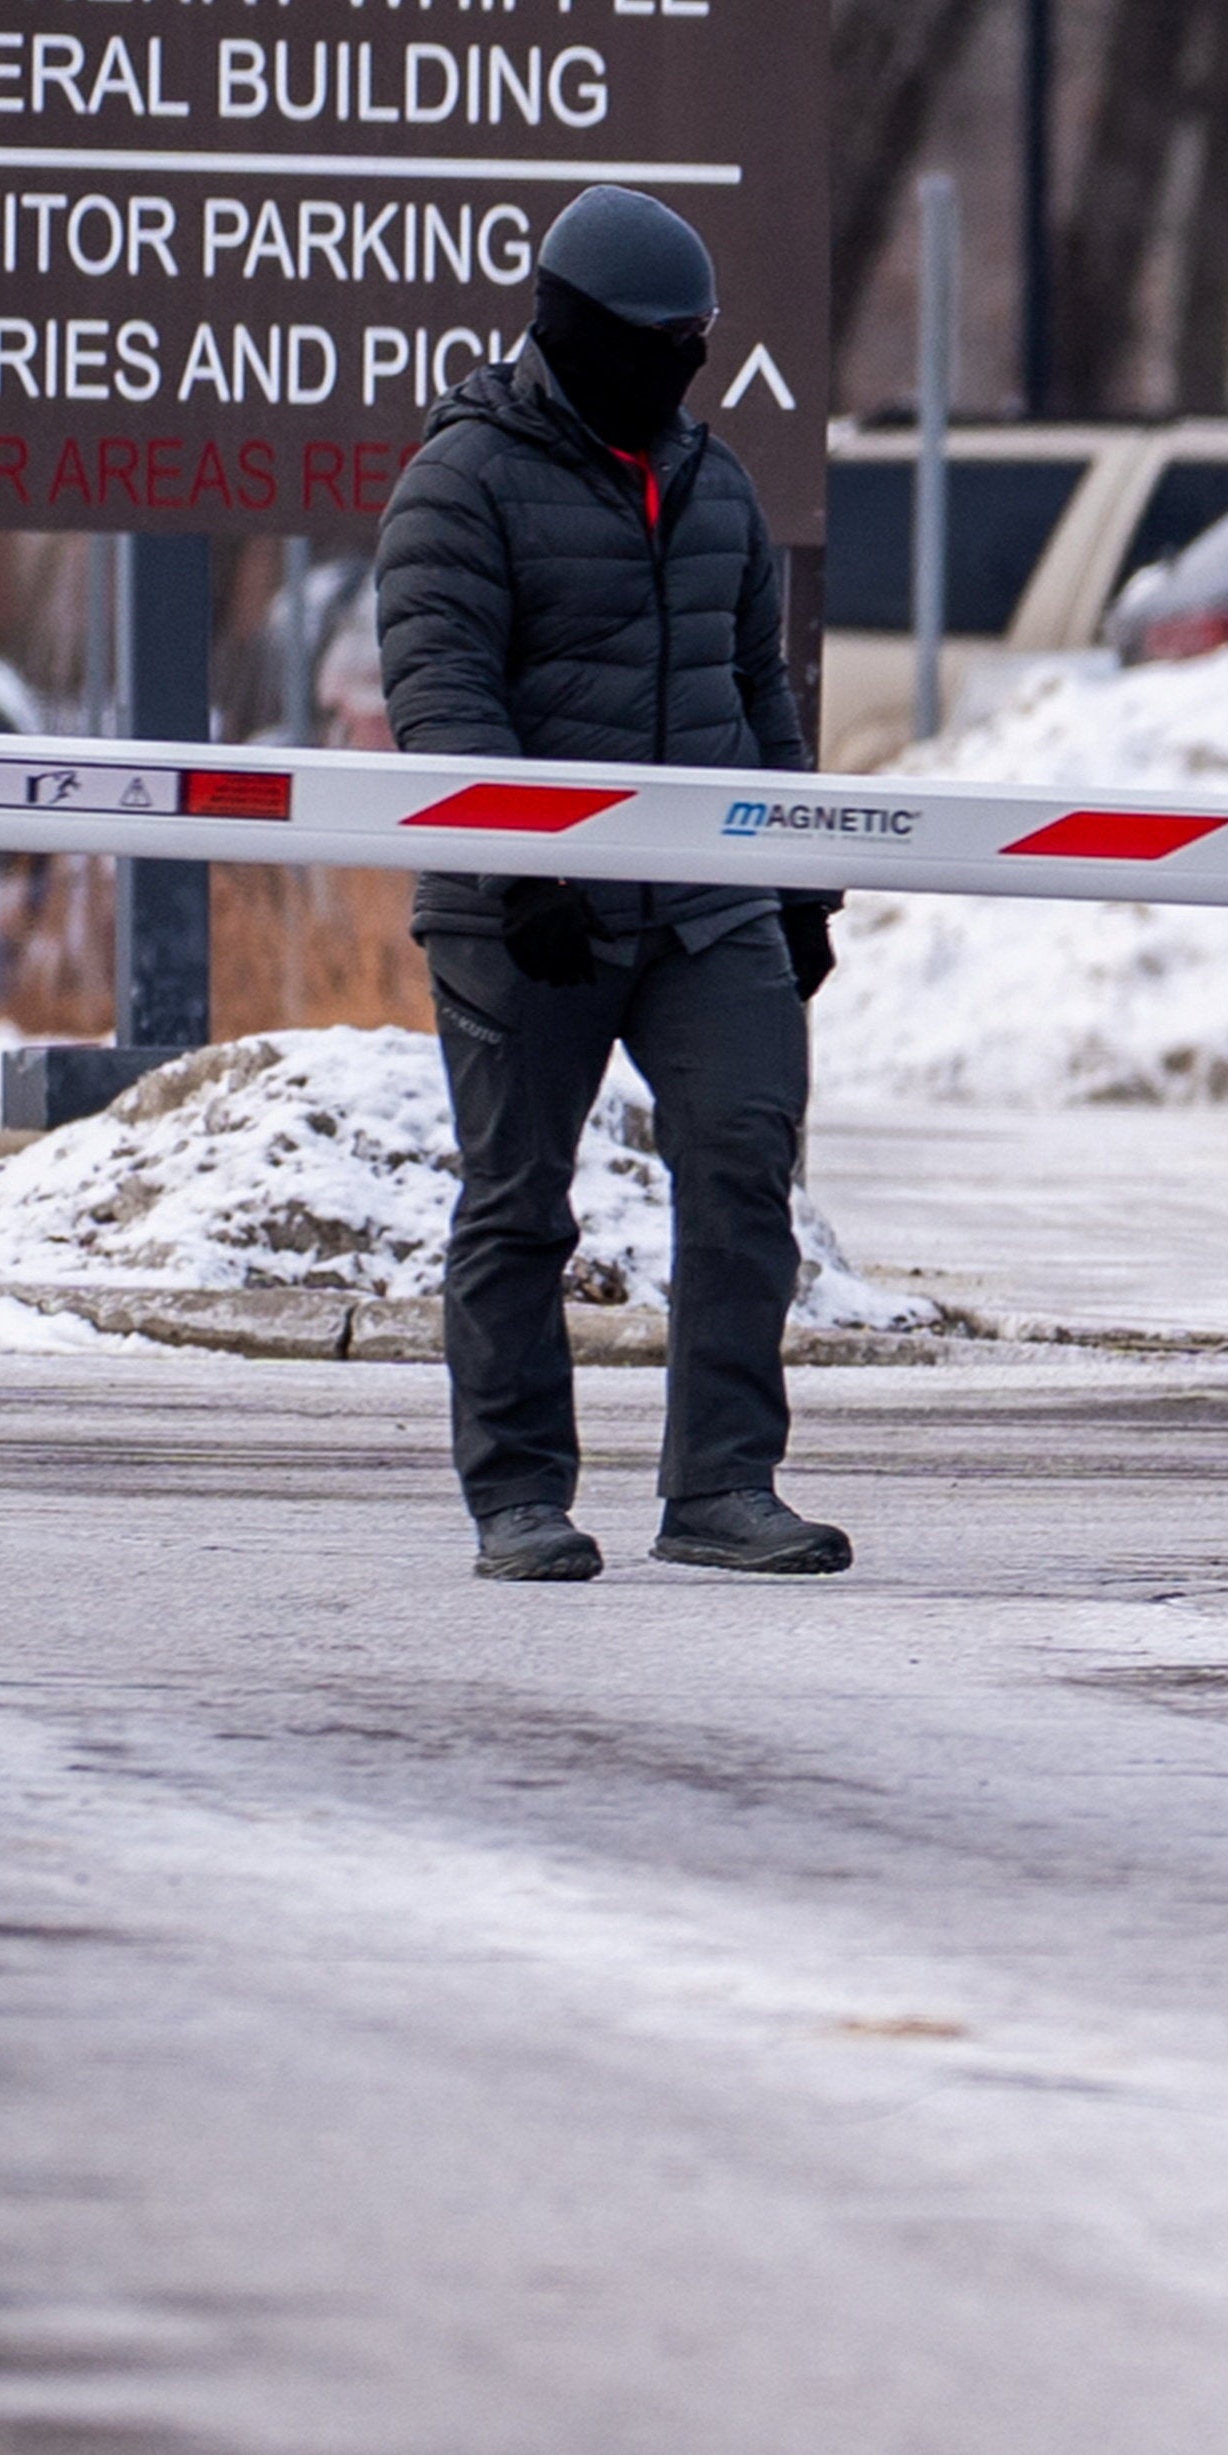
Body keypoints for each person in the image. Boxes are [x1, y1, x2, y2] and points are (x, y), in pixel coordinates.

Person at [375, 186, 852, 1582]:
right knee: (519, 1198)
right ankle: (518, 1495)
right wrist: (521, 866)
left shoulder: (714, 484)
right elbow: (442, 691)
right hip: (524, 911)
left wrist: (802, 879)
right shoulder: (460, 483)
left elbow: (751, 684)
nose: (682, 370)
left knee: (745, 1165)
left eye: (698, 343)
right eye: (661, 342)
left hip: (707, 905)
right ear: (581, 334)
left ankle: (723, 1486)